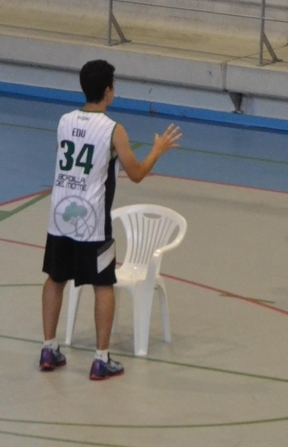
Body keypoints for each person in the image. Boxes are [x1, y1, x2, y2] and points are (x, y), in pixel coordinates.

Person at [39, 59, 182, 379]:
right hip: (92, 221)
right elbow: (137, 173)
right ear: (108, 90)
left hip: (60, 215)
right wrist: (157, 150)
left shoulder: (64, 121)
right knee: (103, 285)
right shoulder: (114, 130)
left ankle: (48, 348)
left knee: (55, 278)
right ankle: (101, 358)